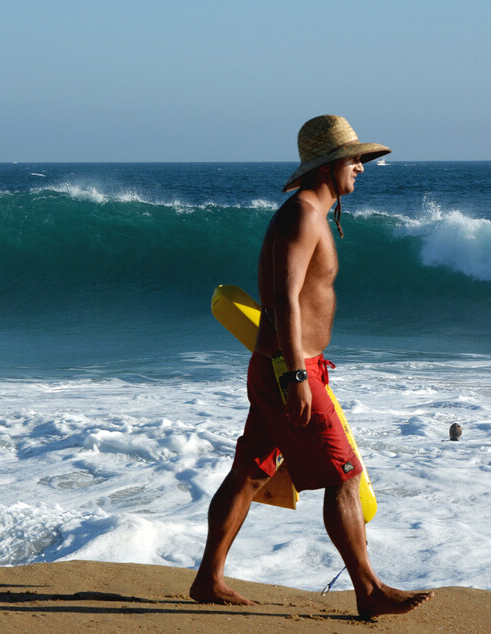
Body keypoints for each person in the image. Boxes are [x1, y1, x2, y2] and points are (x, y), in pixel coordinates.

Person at [189, 115, 434, 618]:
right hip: (288, 367)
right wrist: (298, 374)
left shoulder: (314, 213)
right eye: (355, 159)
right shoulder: (302, 214)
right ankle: (368, 589)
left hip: (286, 364)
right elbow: (281, 299)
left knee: (251, 472)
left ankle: (208, 578)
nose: (362, 168)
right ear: (329, 164)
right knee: (344, 474)